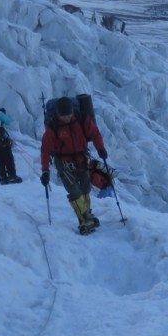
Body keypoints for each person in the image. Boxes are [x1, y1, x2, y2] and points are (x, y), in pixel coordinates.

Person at [40, 96, 109, 235]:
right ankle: (83, 219)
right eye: (63, 116)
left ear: (72, 111)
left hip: (81, 158)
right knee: (74, 191)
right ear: (58, 114)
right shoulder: (53, 126)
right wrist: (45, 171)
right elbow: (46, 149)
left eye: (68, 115)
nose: (66, 118)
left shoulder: (81, 119)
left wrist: (100, 148)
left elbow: (94, 133)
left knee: (85, 187)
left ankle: (87, 214)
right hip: (64, 162)